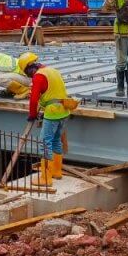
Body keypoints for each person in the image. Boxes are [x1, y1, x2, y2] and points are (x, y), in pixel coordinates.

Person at [23, 55, 74, 185]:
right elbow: (51, 92)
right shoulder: (53, 71)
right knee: (56, 140)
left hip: (53, 113)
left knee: (45, 143)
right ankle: (56, 172)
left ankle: (45, 178)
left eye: (28, 74)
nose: (30, 77)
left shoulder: (38, 76)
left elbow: (33, 100)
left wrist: (32, 114)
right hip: (64, 110)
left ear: (29, 69)